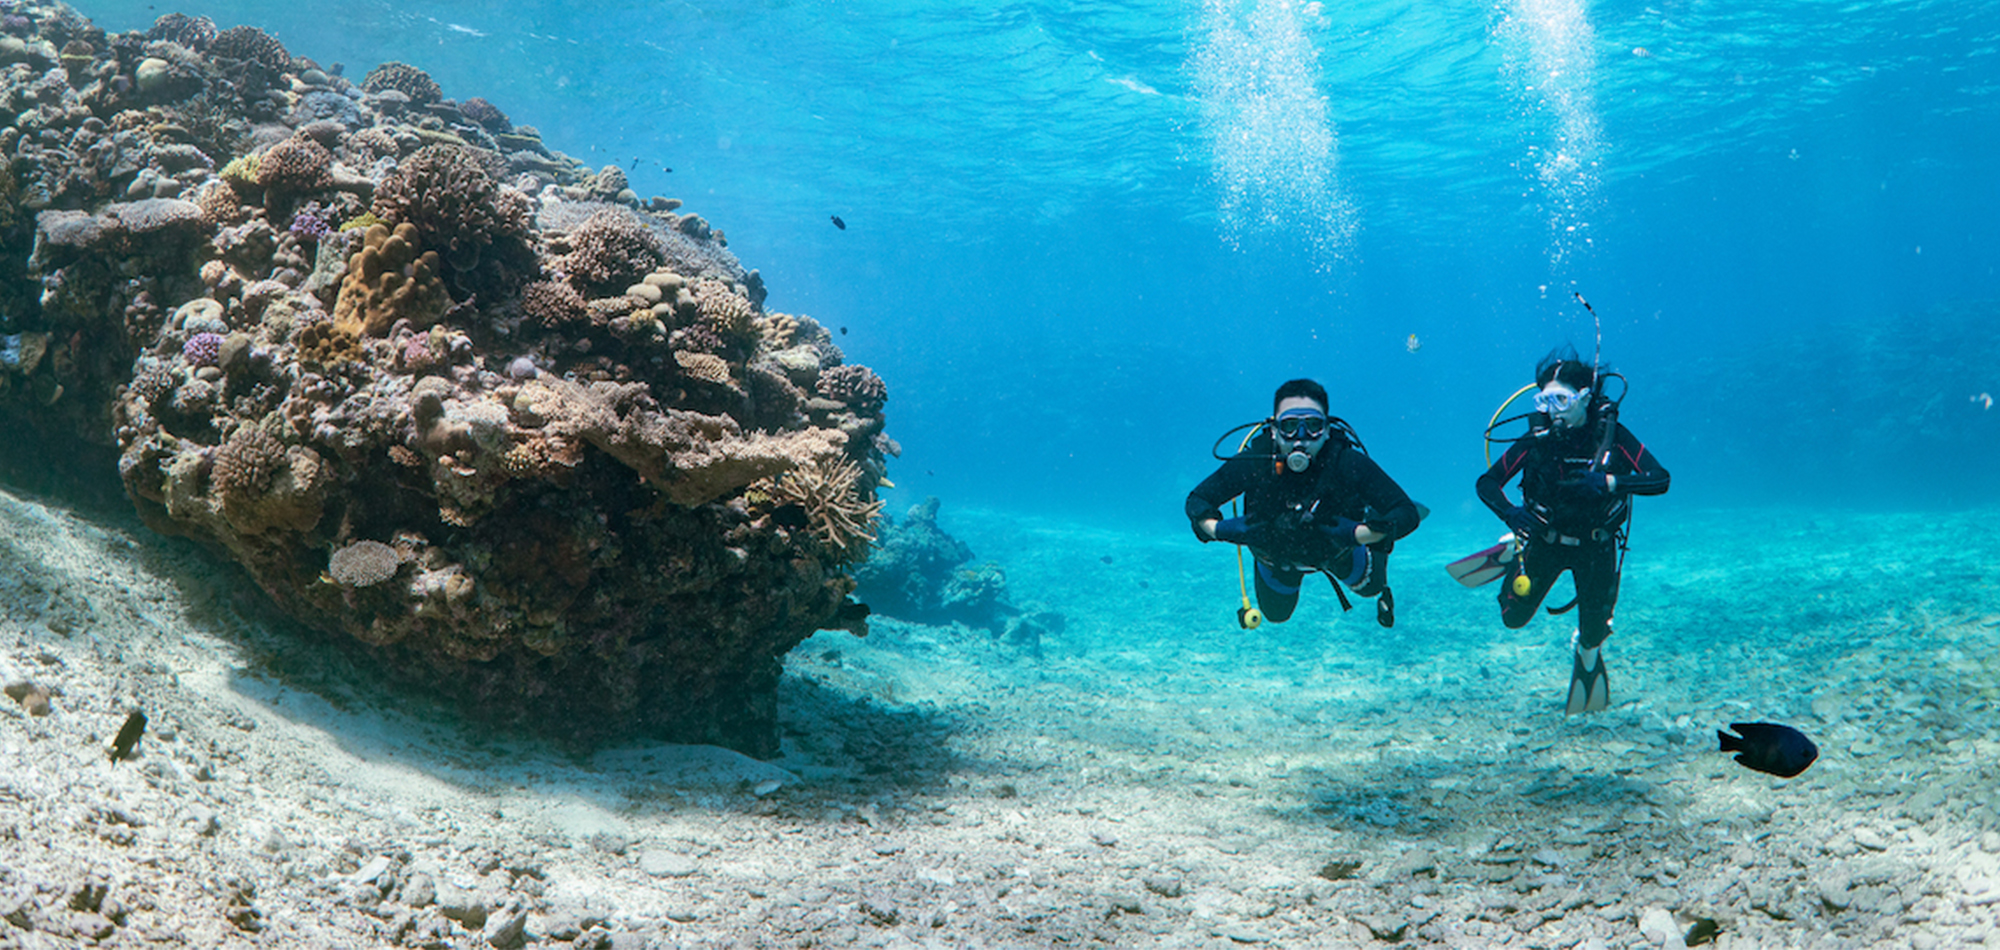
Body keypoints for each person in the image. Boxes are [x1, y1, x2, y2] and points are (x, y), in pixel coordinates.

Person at [1475, 346, 1670, 714]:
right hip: (1544, 540)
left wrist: (1610, 482)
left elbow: (1660, 479)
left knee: (1596, 634)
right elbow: (1487, 483)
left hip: (1596, 547)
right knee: (1512, 618)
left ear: (1585, 397)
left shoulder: (1611, 436)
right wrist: (1511, 514)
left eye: (1561, 399)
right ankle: (1509, 553)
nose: (1553, 411)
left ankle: (1585, 649)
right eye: (1546, 400)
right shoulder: (1537, 438)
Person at [1186, 379, 1422, 627]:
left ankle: (1373, 519)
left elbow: (1406, 513)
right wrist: (1221, 530)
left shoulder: (1346, 462)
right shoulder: (1255, 463)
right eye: (1289, 426)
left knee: (1371, 588)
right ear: (1274, 430)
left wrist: (1358, 533)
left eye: (1313, 426)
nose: (1301, 438)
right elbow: (1198, 500)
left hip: (1338, 552)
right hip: (1276, 557)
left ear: (1328, 430)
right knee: (1276, 615)